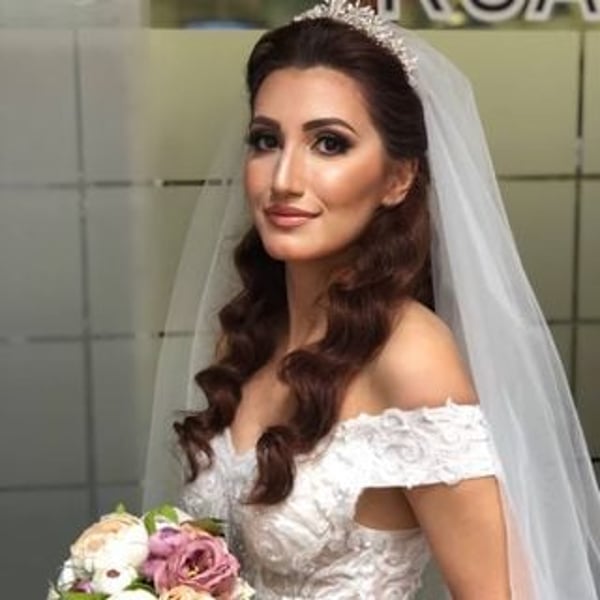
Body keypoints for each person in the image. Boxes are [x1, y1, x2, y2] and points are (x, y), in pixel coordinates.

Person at [143, 1, 600, 598]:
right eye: (266, 140)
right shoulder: (249, 333)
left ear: (397, 178)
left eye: (329, 144)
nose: (283, 179)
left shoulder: (410, 357)